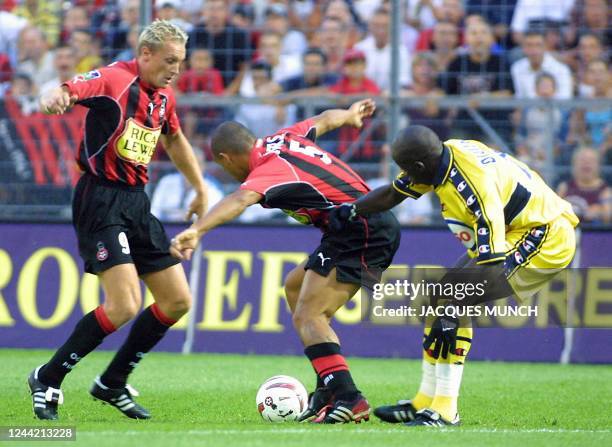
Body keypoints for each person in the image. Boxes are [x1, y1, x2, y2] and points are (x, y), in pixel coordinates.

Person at [329, 125, 579, 426]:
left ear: (420, 166)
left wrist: (451, 311)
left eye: (407, 169)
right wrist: (352, 211)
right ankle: (424, 400)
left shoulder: (473, 188)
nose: (405, 175)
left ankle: (446, 410)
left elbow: (491, 261)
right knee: (439, 299)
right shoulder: (440, 157)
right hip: (520, 228)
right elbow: (395, 193)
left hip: (546, 234)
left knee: (453, 301)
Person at [171, 99, 401, 424]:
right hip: (357, 225)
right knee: (295, 287)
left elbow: (240, 199)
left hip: (362, 228)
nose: (231, 174)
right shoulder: (286, 137)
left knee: (309, 315)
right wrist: (349, 116)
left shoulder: (269, 170)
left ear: (226, 158)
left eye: (225, 168)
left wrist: (197, 230)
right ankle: (327, 391)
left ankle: (350, 397)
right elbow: (324, 118)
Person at [29, 20, 208, 421]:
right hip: (100, 199)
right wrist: (51, 97)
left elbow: (173, 138)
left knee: (177, 300)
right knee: (125, 303)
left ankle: (112, 381)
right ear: (145, 54)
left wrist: (198, 186)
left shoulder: (163, 96)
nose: (176, 69)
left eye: (179, 62)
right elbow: (66, 89)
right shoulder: (114, 78)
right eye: (169, 61)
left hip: (135, 202)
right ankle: (48, 376)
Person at [557, 147, 611, 224]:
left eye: (591, 160)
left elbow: (608, 218)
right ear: (574, 164)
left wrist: (599, 211)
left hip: (595, 233)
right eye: (582, 160)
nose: (586, 163)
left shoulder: (605, 191)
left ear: (598, 165)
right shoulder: (564, 187)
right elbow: (554, 213)